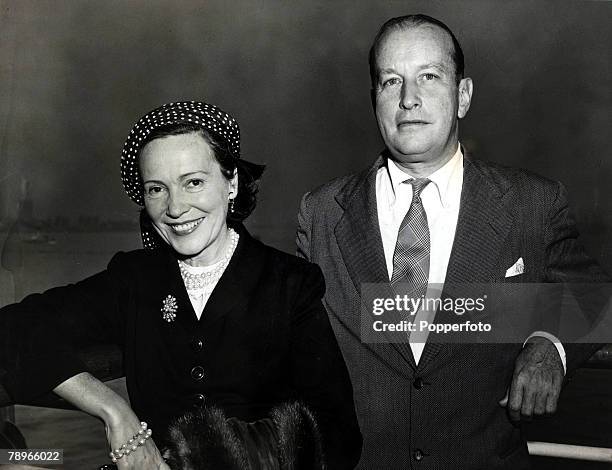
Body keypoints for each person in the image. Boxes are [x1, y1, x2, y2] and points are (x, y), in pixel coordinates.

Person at [296, 14, 607, 469]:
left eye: (429, 76)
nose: (408, 99)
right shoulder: (321, 213)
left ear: (462, 96)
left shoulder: (530, 204)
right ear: (375, 100)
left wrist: (551, 346)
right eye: (390, 82)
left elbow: (594, 297)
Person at [0, 101, 362, 469]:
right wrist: (113, 410)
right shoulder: (135, 279)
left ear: (231, 182)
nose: (175, 208)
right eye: (157, 189)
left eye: (193, 182)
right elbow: (14, 328)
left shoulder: (290, 283)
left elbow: (337, 436)